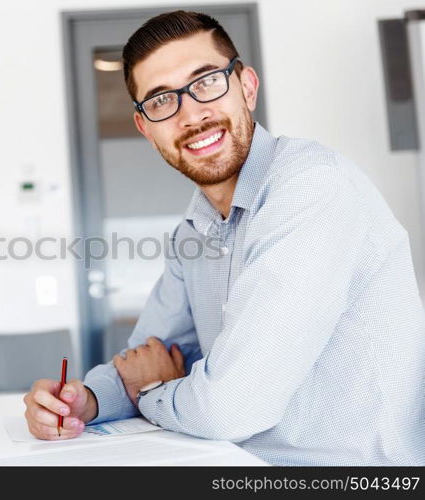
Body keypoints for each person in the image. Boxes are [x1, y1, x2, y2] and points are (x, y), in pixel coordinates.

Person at [23, 10, 425, 465]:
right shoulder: (192, 231)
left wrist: (152, 391)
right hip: (236, 464)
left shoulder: (312, 187)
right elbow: (148, 355)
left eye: (206, 82)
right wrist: (85, 401)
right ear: (146, 129)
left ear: (247, 87)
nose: (191, 114)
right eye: (160, 101)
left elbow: (232, 407)